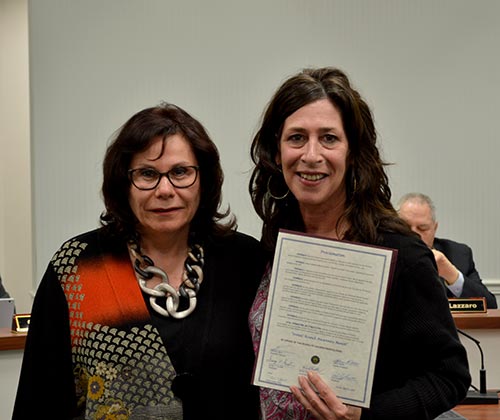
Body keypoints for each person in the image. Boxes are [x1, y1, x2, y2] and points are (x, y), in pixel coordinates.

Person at [13, 103, 266, 419]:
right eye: (147, 174)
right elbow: (39, 398)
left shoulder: (245, 261)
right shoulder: (77, 266)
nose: (165, 190)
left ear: (204, 179)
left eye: (180, 172)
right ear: (123, 182)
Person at [248, 67, 471, 420]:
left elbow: (449, 376)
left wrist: (367, 415)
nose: (311, 154)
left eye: (329, 138)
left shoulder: (402, 254)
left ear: (352, 152)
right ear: (277, 152)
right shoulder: (274, 243)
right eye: (296, 138)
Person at [397, 192, 497, 309]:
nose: (414, 234)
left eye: (422, 228)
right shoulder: (384, 254)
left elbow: (490, 306)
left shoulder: (458, 254)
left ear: (434, 228)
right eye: (405, 227)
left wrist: (451, 274)